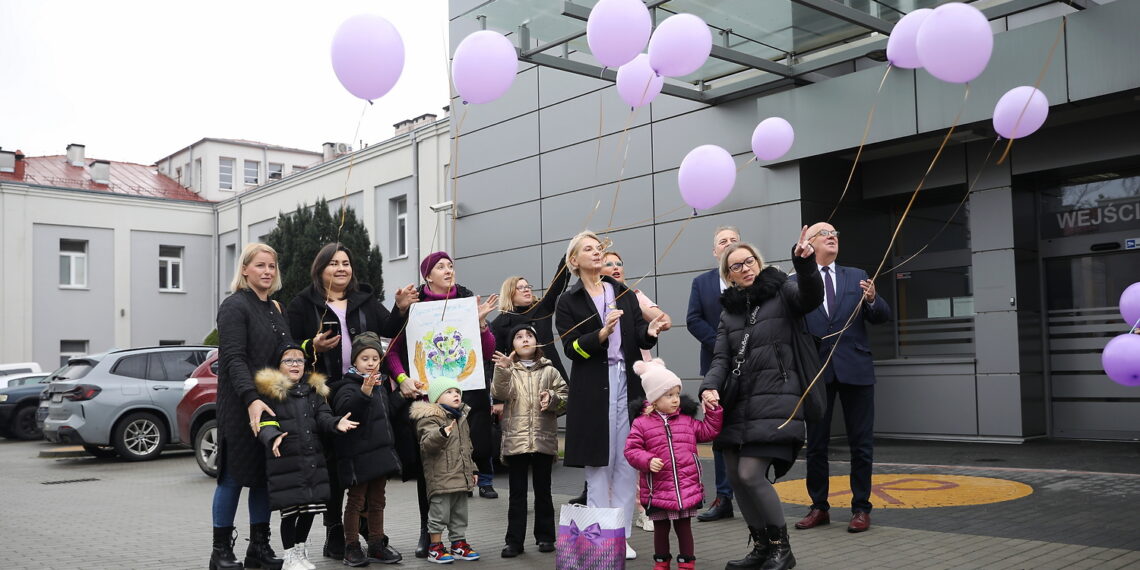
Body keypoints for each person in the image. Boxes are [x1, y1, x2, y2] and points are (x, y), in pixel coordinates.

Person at [699, 229, 823, 570]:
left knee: (752, 473)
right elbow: (721, 358)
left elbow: (811, 296)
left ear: (758, 262)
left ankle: (783, 549)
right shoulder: (729, 313)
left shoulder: (783, 290)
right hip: (738, 403)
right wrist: (709, 387)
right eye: (736, 266)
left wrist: (805, 262)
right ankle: (761, 547)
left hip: (777, 399)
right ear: (729, 276)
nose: (745, 268)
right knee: (736, 478)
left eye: (749, 261)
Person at [286, 242, 418, 560]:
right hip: (324, 395)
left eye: (346, 262)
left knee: (370, 467)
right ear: (320, 269)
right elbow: (288, 349)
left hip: (367, 393)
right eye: (334, 263)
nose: (342, 268)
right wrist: (311, 345)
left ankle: (369, 536)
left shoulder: (365, 300)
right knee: (333, 467)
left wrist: (400, 308)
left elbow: (387, 335)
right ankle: (336, 535)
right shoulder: (303, 304)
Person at [555, 230, 668, 561]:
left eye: (598, 248)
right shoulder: (569, 301)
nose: (596, 252)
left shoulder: (622, 292)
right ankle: (598, 538)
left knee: (626, 462)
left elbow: (638, 340)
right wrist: (601, 333)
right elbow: (571, 348)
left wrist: (650, 331)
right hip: (593, 386)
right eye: (588, 249)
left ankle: (620, 536)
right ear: (574, 261)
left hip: (627, 383)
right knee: (598, 464)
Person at [383, 251, 497, 558]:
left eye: (450, 265)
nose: (448, 270)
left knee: (460, 468)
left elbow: (485, 353)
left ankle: (457, 536)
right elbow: (391, 352)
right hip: (426, 402)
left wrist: (482, 325)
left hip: (463, 401)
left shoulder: (466, 302)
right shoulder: (414, 306)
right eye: (440, 267)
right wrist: (404, 378)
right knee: (428, 469)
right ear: (427, 276)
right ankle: (427, 533)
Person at [793, 222, 892, 535]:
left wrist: (875, 298)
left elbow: (880, 316)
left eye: (836, 232)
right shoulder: (797, 282)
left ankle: (861, 508)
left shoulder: (856, 275)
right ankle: (819, 507)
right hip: (817, 373)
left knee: (861, 444)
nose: (833, 236)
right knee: (817, 445)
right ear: (809, 243)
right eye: (824, 233)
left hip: (856, 370)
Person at [210, 242, 292, 570]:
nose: (267, 272)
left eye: (271, 266)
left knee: (262, 478)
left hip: (271, 407)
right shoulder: (234, 306)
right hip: (240, 405)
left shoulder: (275, 309)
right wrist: (251, 399)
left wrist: (305, 349)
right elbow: (233, 358)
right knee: (232, 478)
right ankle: (221, 553)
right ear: (244, 269)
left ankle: (258, 548)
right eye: (260, 266)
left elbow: (282, 356)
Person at [254, 344, 359, 570]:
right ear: (278, 366)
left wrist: (335, 422)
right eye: (289, 360)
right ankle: (289, 556)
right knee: (290, 512)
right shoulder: (271, 393)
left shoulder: (312, 392)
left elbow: (323, 416)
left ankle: (300, 551)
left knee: (310, 510)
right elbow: (265, 421)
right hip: (286, 461)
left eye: (299, 361)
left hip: (312, 461)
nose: (295, 364)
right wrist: (272, 436)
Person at [624, 358, 723, 570]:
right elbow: (631, 451)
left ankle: (687, 562)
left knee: (684, 527)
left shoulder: (686, 420)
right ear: (654, 399)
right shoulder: (641, 424)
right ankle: (661, 561)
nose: (676, 400)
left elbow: (708, 432)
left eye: (677, 394)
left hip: (685, 488)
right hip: (657, 489)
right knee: (660, 528)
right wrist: (648, 460)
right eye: (669, 395)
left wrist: (713, 412)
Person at [601, 248, 672, 533]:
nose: (616, 267)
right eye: (609, 263)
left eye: (619, 263)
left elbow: (663, 320)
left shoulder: (633, 294)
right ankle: (606, 510)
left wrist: (646, 311)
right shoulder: (591, 298)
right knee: (609, 449)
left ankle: (643, 508)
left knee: (638, 443)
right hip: (607, 380)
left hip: (638, 381)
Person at [489, 323, 569, 558]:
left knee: (544, 491)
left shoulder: (550, 370)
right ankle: (514, 541)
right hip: (516, 440)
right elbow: (500, 393)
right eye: (519, 337)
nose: (525, 340)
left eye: (529, 336)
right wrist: (502, 370)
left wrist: (552, 398)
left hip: (544, 439)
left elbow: (565, 397)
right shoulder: (507, 369)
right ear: (512, 344)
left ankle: (545, 537)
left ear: (537, 342)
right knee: (517, 494)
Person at [331, 333, 406, 566]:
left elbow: (388, 412)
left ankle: (376, 545)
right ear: (354, 361)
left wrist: (403, 395)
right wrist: (363, 392)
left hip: (380, 454)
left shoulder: (381, 384)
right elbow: (346, 411)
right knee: (355, 502)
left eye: (375, 358)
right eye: (365, 358)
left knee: (377, 501)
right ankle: (351, 546)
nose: (371, 362)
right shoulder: (347, 386)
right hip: (358, 456)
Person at [687, 226, 741, 523]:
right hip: (715, 369)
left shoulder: (753, 280)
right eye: (723, 241)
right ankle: (723, 497)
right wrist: (721, 343)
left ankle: (751, 493)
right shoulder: (702, 282)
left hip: (752, 368)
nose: (729, 244)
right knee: (719, 433)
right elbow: (693, 319)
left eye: (734, 240)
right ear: (715, 250)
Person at [410, 378, 481, 564]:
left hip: (460, 475)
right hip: (441, 476)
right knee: (439, 514)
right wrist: (441, 433)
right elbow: (426, 444)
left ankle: (458, 544)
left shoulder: (461, 418)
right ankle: (435, 547)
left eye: (457, 391)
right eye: (449, 392)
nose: (455, 395)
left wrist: (473, 470)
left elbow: (468, 447)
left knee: (459, 514)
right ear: (436, 398)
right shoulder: (429, 418)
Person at [490, 256, 571, 381]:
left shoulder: (542, 308)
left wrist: (569, 257)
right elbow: (496, 362)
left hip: (552, 375)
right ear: (509, 292)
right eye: (521, 288)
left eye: (528, 287)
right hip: (522, 383)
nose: (526, 290)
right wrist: (497, 399)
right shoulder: (499, 323)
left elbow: (558, 285)